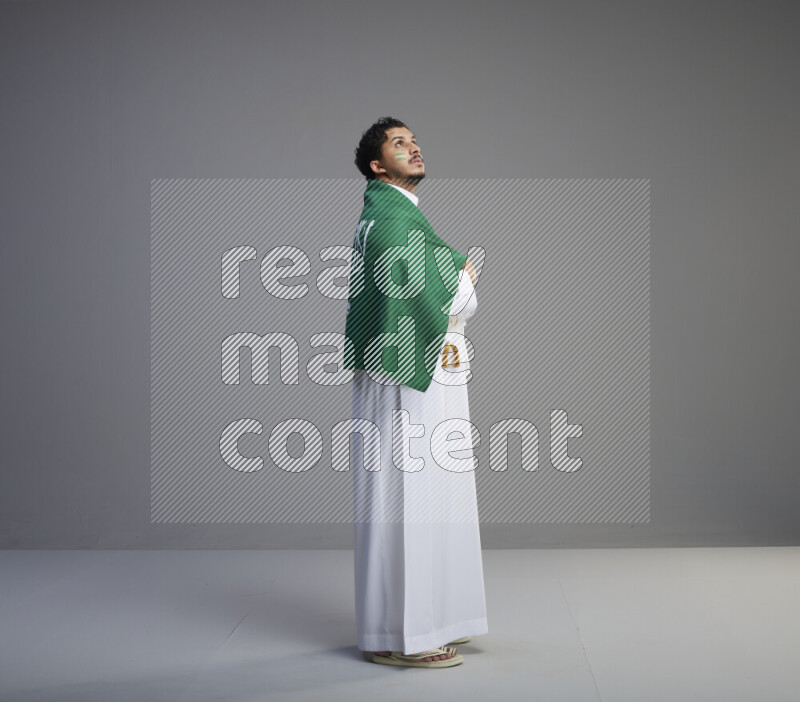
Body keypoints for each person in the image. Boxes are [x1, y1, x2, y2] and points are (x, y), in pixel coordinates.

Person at [344, 117, 488, 668]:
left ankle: (437, 616)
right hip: (403, 375)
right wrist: (466, 276)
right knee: (407, 498)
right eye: (399, 144)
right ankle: (399, 635)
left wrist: (453, 273)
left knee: (433, 494)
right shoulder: (388, 220)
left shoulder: (399, 215)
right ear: (378, 166)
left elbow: (430, 274)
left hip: (423, 364)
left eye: (414, 139)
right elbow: (442, 291)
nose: (414, 147)